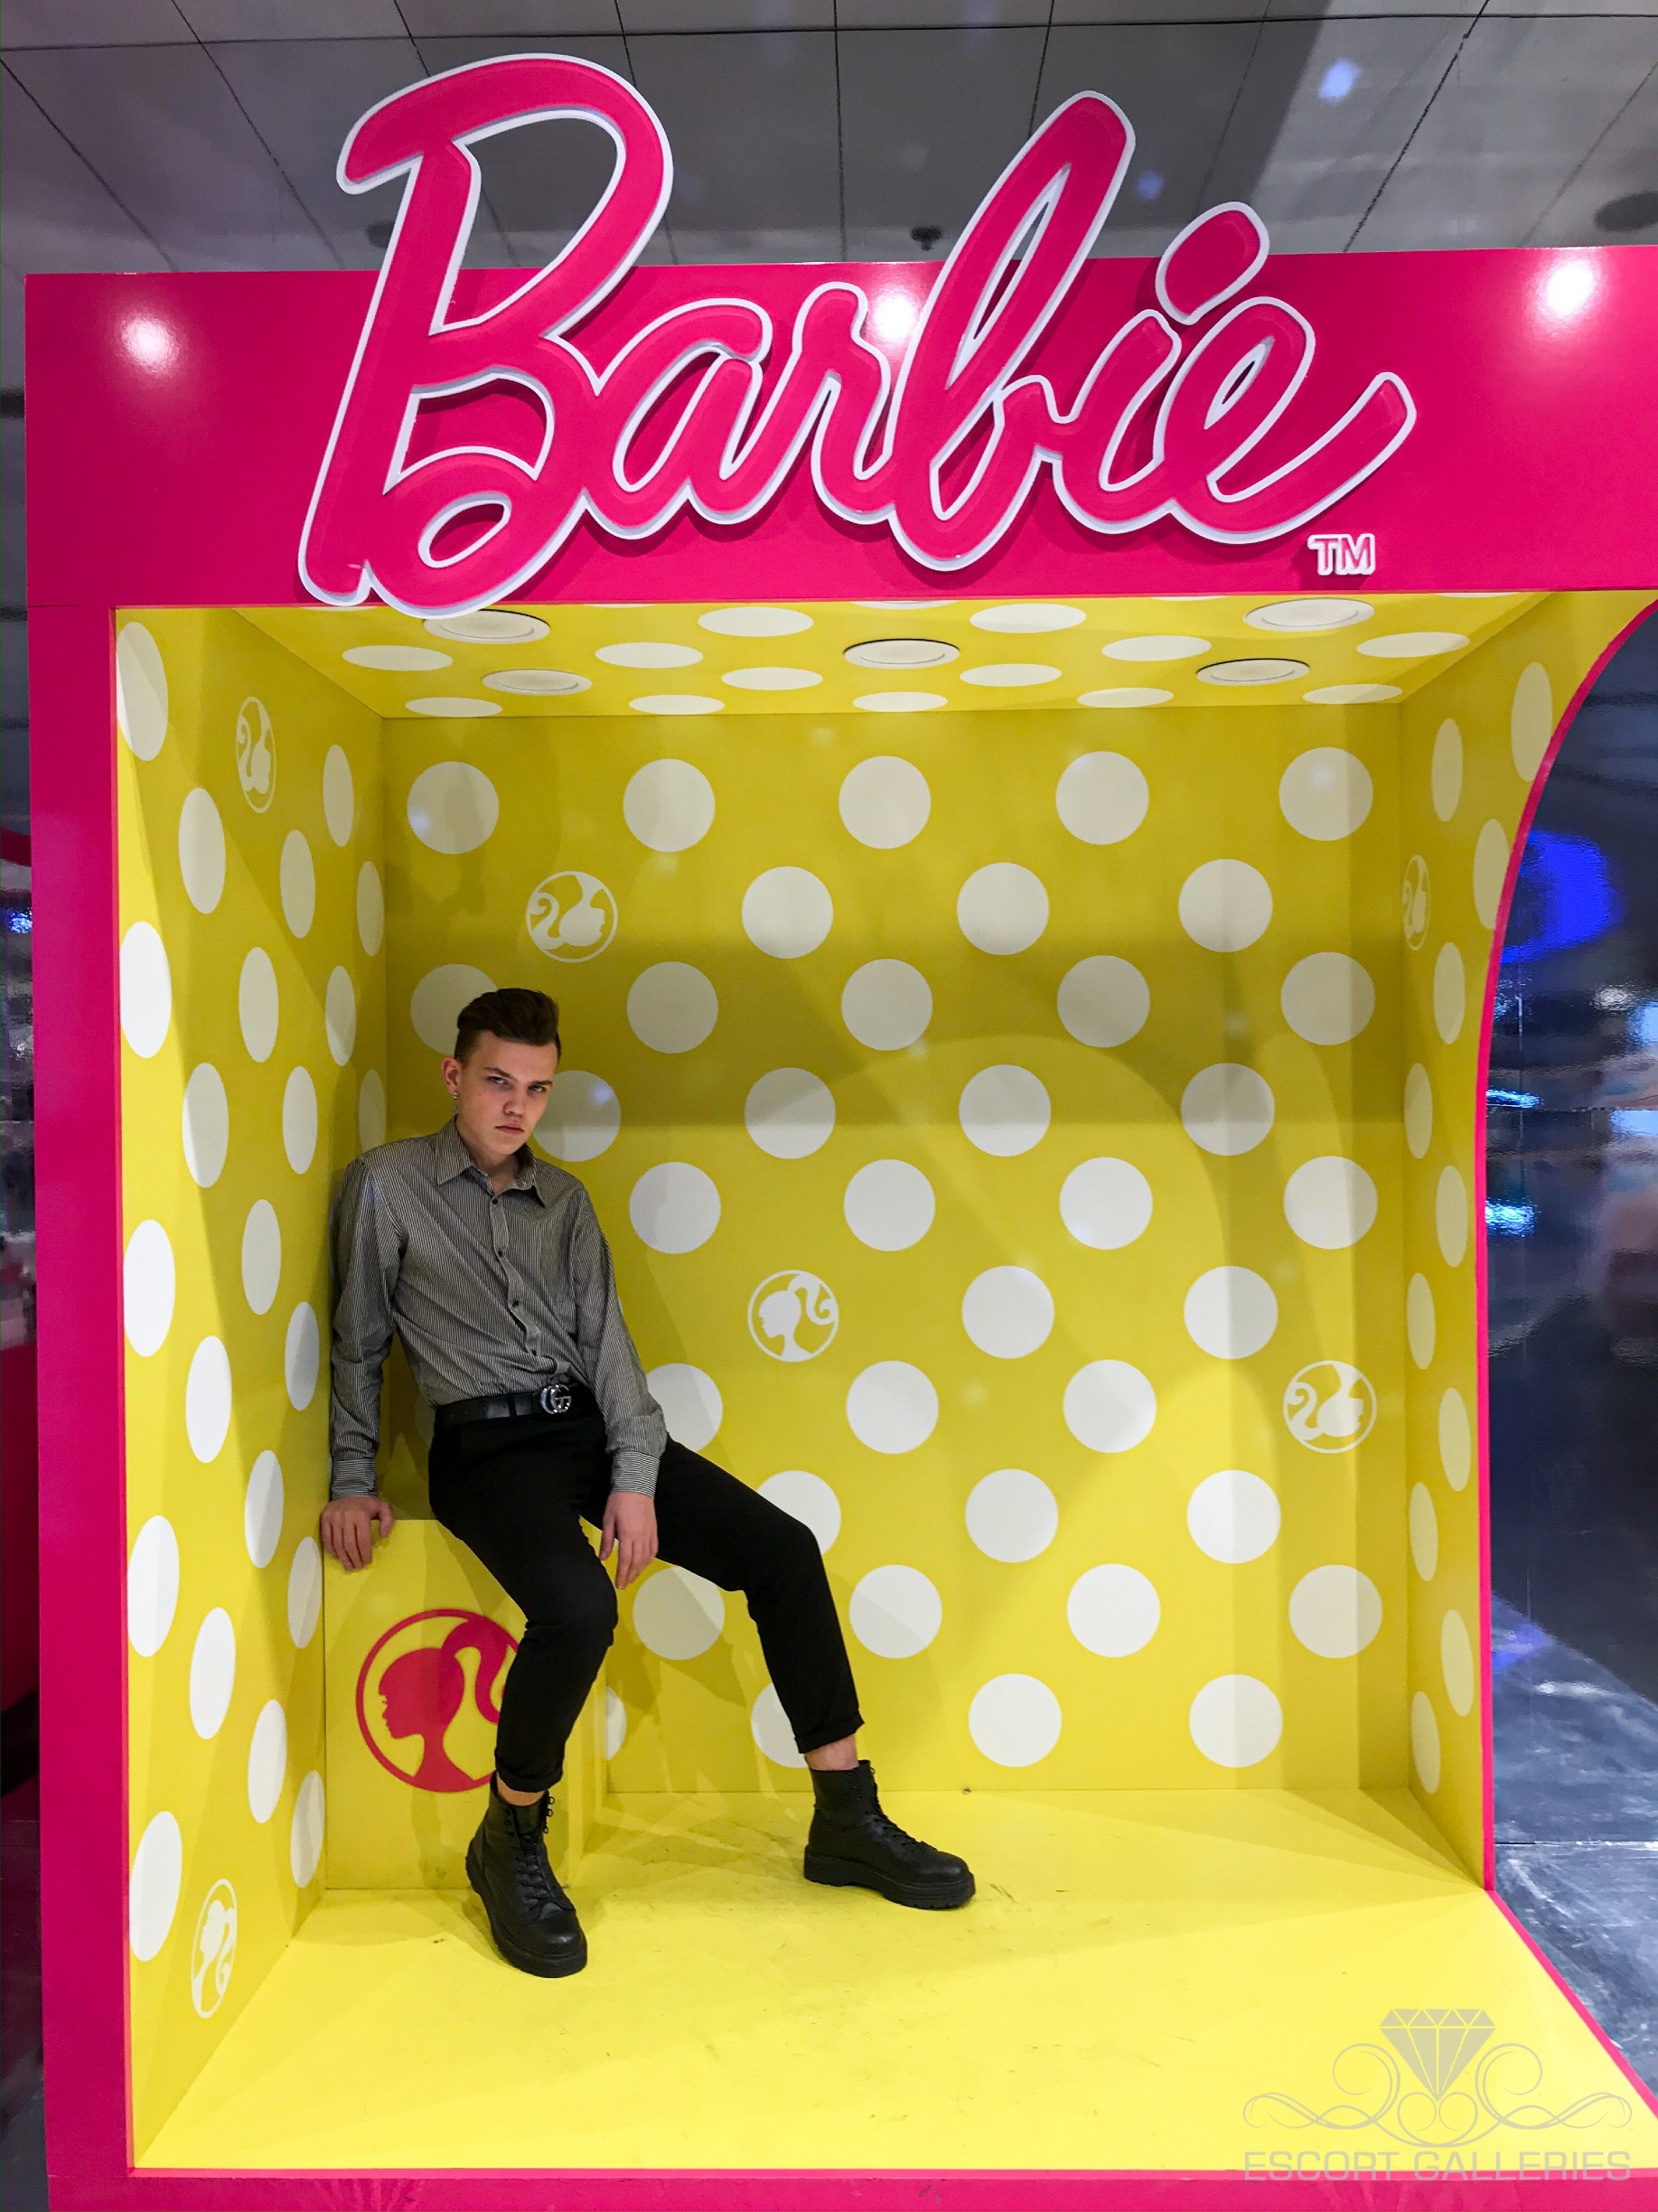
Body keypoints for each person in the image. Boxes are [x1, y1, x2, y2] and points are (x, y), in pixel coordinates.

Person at [320, 987, 973, 1977]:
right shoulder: (386, 1185)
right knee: (580, 1608)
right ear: (455, 1077)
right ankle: (509, 1834)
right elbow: (358, 1341)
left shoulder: (565, 1202)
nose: (517, 1106)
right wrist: (351, 1476)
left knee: (783, 1549)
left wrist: (634, 1475)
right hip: (483, 1450)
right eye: (497, 1082)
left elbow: (609, 1351)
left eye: (537, 1089)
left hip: (588, 1430)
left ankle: (844, 1814)